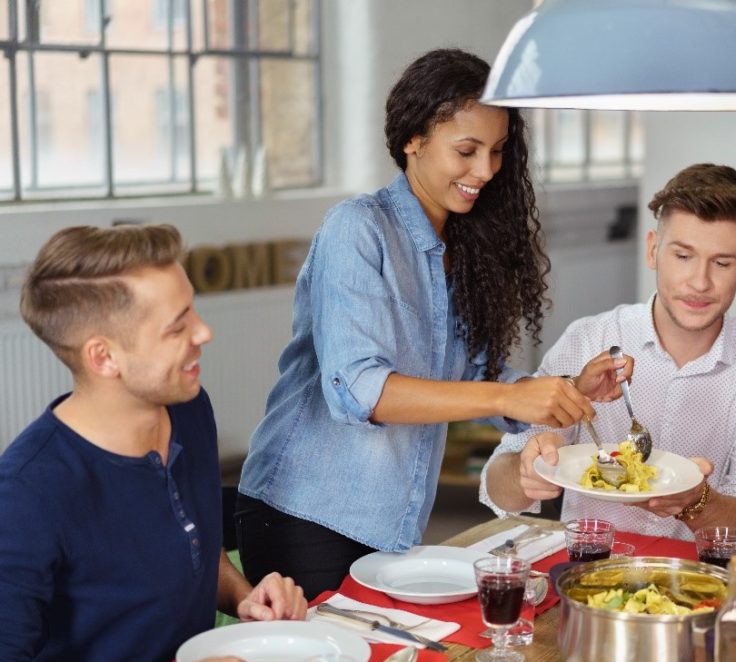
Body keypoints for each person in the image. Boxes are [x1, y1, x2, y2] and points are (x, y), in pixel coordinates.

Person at [235, 48, 626, 599]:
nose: (486, 171)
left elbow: (469, 376)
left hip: (389, 527)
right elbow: (361, 392)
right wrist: (505, 399)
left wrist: (557, 391)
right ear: (412, 140)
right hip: (305, 515)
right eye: (466, 150)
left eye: (496, 152)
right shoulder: (356, 229)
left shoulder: (459, 248)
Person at [0, 225, 307, 662]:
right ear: (104, 357)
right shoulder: (25, 493)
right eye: (178, 325)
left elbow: (194, 543)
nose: (204, 331)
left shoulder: (189, 407)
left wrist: (243, 597)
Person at [480, 163, 736, 550]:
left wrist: (695, 502)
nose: (700, 282)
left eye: (722, 263)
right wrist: (524, 474)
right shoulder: (588, 339)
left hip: (694, 582)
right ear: (653, 249)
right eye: (683, 256)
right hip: (586, 571)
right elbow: (499, 486)